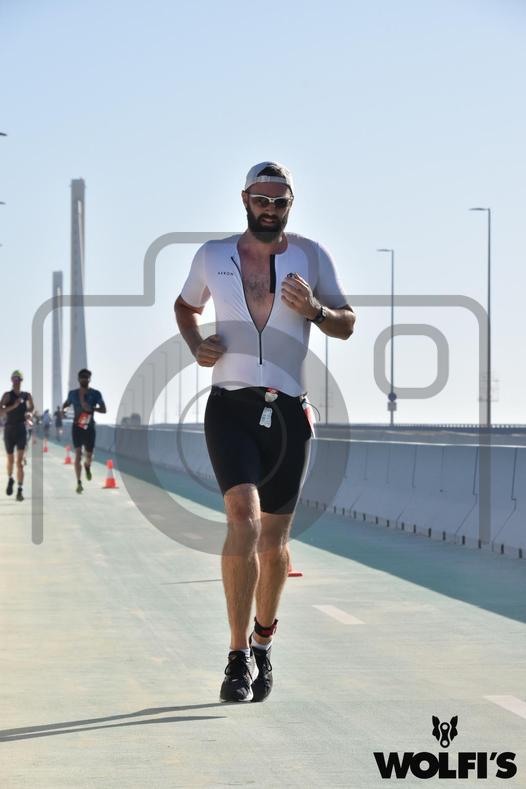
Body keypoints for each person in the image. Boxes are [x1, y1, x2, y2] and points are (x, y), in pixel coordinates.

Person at [175, 161, 356, 702]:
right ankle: (236, 658)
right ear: (245, 200)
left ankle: (263, 643)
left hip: (288, 415)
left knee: (275, 543)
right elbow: (185, 306)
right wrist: (197, 345)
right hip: (230, 408)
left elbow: (347, 323)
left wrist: (316, 310)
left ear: (290, 204)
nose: (270, 209)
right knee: (243, 519)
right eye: (262, 200)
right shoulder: (212, 256)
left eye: (280, 201)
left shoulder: (311, 256)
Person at [62, 369, 106, 494]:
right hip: (77, 427)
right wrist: (63, 411)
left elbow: (104, 409)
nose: (84, 379)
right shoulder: (73, 394)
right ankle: (79, 482)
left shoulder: (95, 393)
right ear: (78, 379)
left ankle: (87, 466)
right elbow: (65, 405)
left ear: (89, 379)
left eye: (86, 377)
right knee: (78, 454)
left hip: (89, 427)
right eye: (82, 376)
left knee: (89, 456)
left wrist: (92, 408)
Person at [1, 370, 34, 501]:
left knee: (19, 462)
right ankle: (10, 479)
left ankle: (20, 490)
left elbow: (31, 408)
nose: (16, 381)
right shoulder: (7, 396)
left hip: (21, 430)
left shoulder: (27, 395)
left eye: (18, 379)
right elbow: (0, 411)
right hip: (9, 430)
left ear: (21, 381)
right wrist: (14, 406)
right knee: (10, 460)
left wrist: (29, 414)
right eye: (14, 379)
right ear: (11, 380)